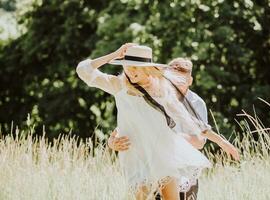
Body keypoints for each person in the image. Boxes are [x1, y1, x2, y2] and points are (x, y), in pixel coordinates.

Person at [76, 43, 239, 200]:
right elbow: (83, 71)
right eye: (127, 66)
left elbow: (189, 120)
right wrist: (115, 54)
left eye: (135, 67)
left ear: (147, 68)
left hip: (163, 154)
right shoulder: (119, 85)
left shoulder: (162, 90)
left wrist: (222, 142)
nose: (130, 72)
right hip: (136, 156)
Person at [107, 57, 216, 199]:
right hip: (151, 170)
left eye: (182, 81)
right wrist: (112, 142)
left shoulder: (196, 103)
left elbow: (199, 142)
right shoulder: (150, 96)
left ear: (190, 81)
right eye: (173, 81)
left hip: (183, 173)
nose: (176, 85)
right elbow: (131, 128)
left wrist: (167, 138)